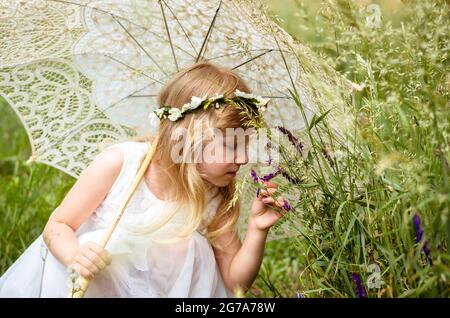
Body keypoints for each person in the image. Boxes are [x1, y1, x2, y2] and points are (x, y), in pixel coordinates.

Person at [0, 61, 290, 297]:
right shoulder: (121, 163)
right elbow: (58, 225)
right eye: (231, 145)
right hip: (96, 283)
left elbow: (235, 282)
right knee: (97, 241)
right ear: (190, 137)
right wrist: (75, 256)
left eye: (244, 144)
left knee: (194, 248)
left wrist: (256, 229)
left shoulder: (214, 195)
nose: (242, 158)